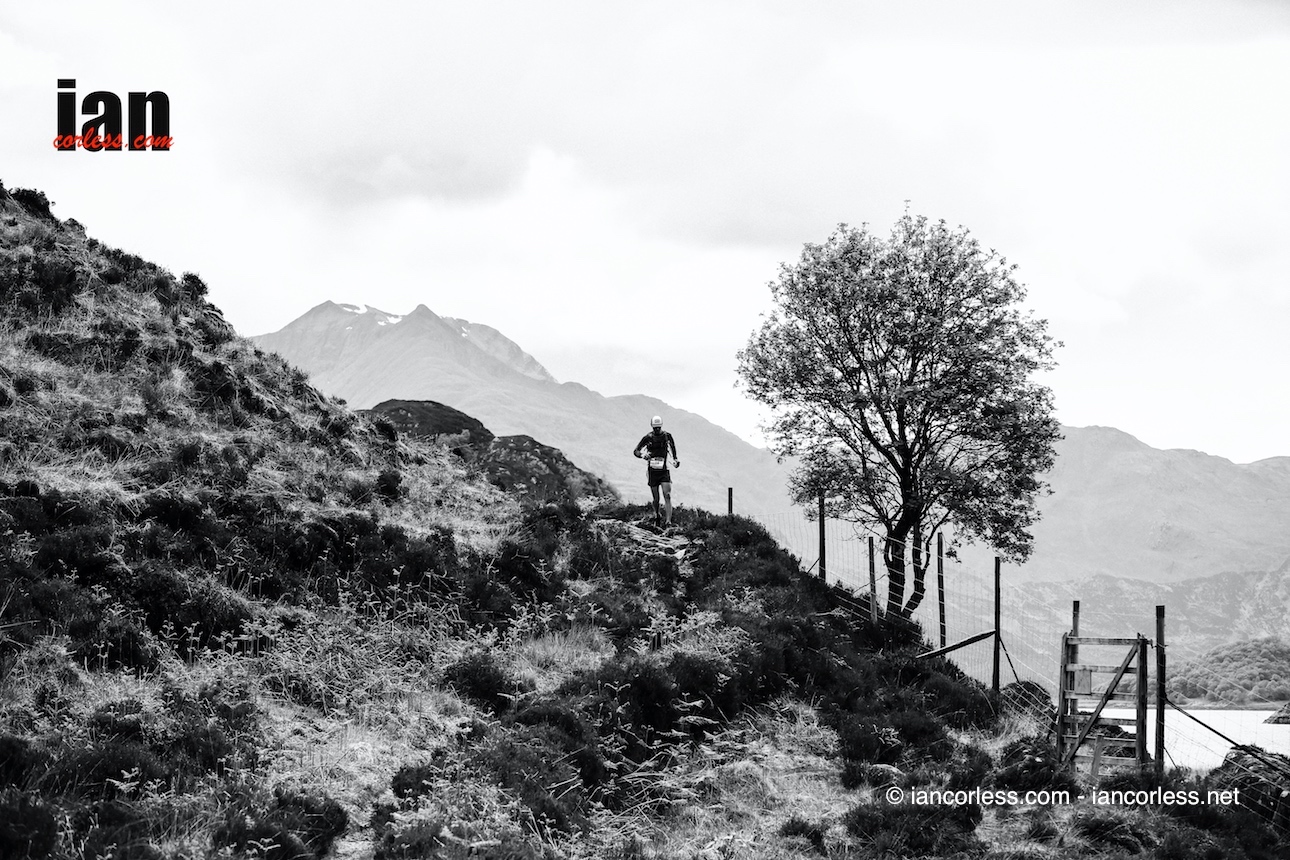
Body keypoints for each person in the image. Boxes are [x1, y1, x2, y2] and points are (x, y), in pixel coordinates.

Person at [633, 415, 680, 527]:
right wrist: (643, 455)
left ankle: (668, 522)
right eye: (655, 428)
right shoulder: (647, 438)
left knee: (667, 495)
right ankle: (657, 514)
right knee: (656, 498)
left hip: (664, 470)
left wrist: (675, 460)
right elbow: (636, 451)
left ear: (661, 426)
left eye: (658, 428)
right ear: (652, 427)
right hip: (652, 471)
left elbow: (673, 450)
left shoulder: (667, 436)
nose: (657, 430)